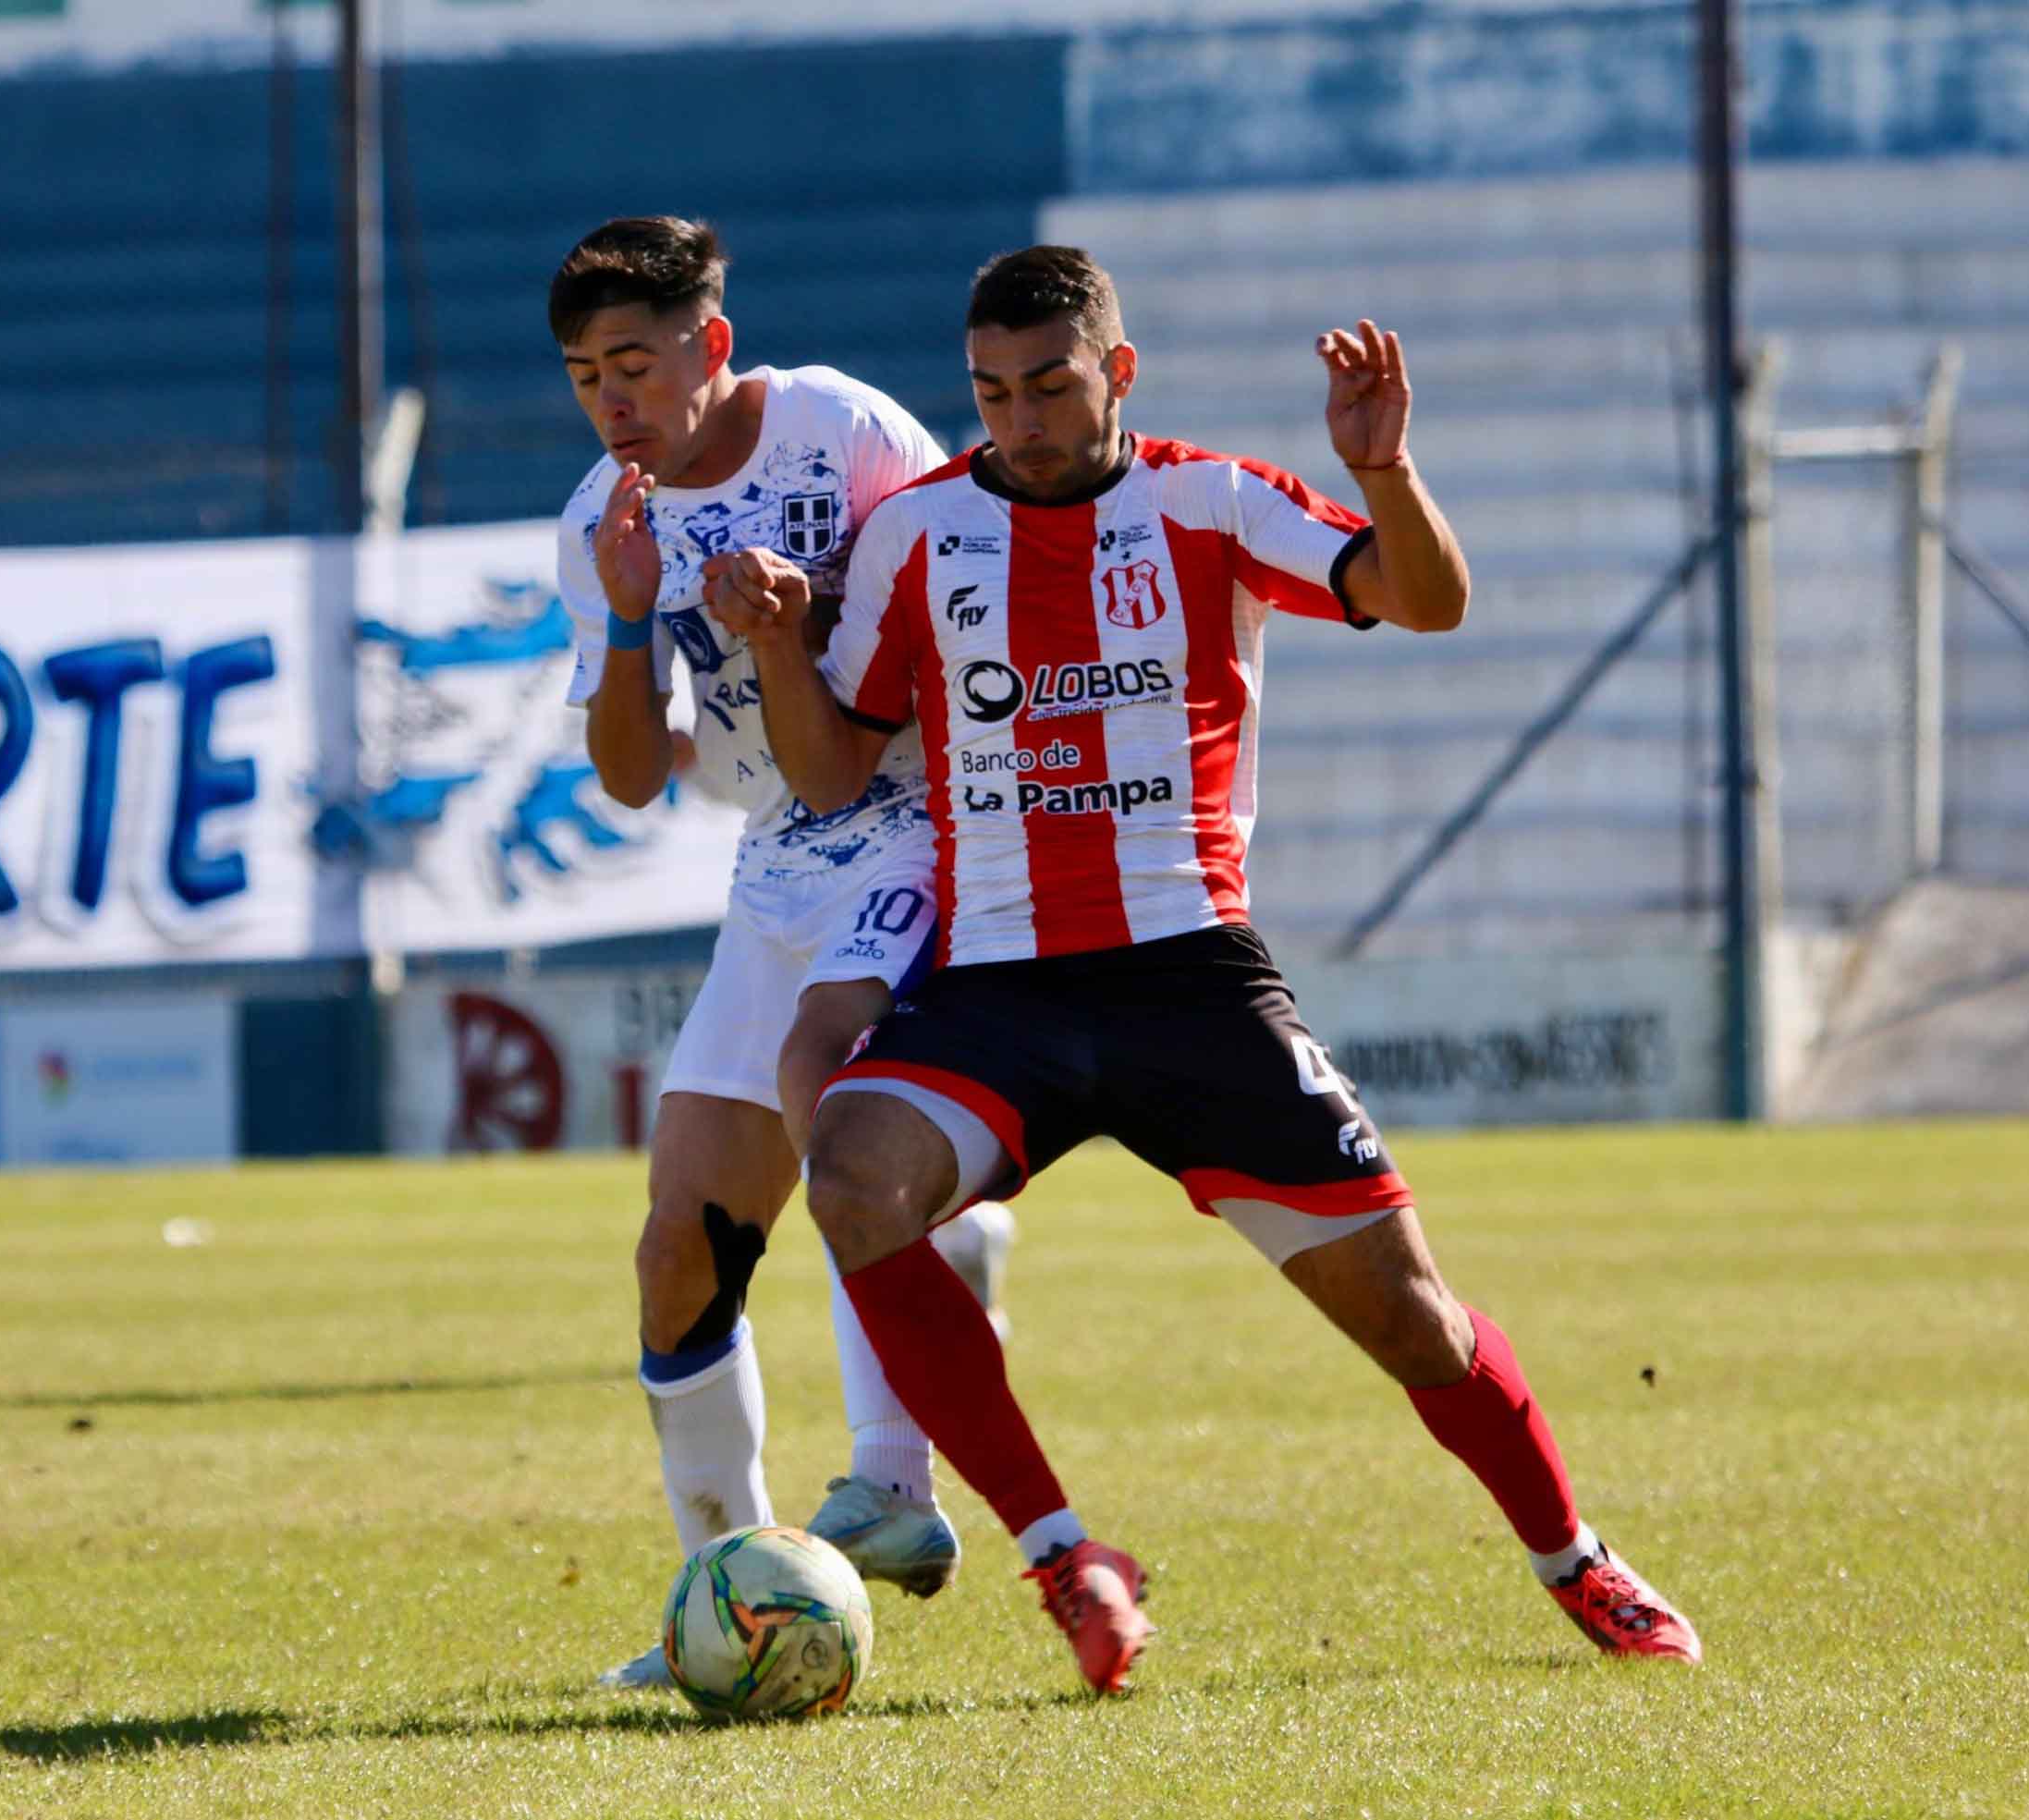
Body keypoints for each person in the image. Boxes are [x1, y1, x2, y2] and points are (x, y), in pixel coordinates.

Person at [705, 246, 1701, 1693]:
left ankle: (1575, 1559)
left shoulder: (1210, 501)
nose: (1021, 420)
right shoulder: (922, 534)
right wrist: (778, 644)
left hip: (1193, 981)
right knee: (852, 1177)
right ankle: (1066, 1556)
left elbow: (1425, 600)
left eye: (1050, 386)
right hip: (1002, 990)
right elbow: (829, 768)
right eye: (993, 393)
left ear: (1119, 371)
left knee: (1413, 1319)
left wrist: (1384, 474)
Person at [546, 218, 1019, 1688]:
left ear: (713, 343)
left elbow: (968, 593)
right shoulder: (598, 523)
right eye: (584, 375)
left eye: (634, 362)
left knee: (842, 1120)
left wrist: (801, 634)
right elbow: (632, 776)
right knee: (678, 1248)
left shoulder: (839, 429)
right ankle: (731, 1592)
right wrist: (634, 616)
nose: (612, 399)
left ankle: (892, 1476)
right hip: (776, 867)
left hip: (922, 822)